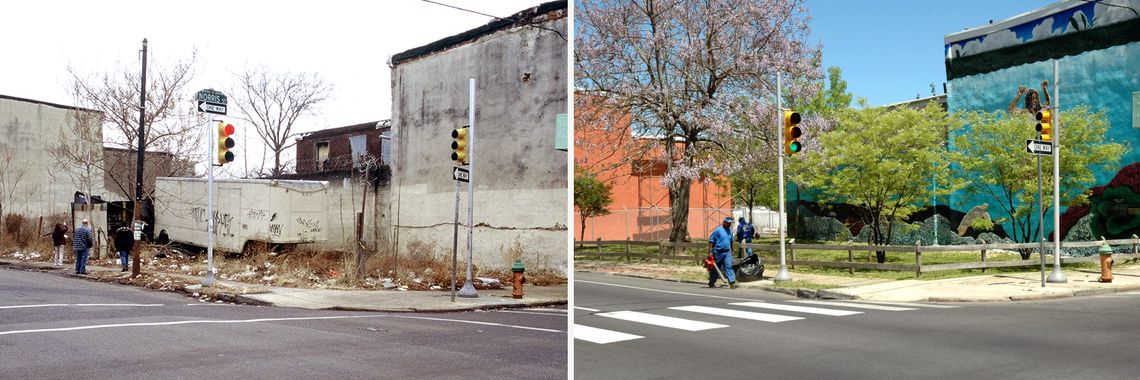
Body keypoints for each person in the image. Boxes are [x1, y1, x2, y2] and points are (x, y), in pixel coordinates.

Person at [708, 217, 736, 288]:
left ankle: (732, 282)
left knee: (728, 266)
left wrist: (732, 251)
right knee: (716, 268)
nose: (730, 224)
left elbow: (732, 241)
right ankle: (711, 282)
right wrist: (710, 252)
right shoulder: (718, 230)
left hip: (727, 252)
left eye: (730, 223)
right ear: (724, 223)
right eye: (728, 223)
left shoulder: (730, 231)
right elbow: (711, 241)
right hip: (718, 252)